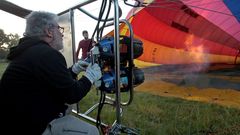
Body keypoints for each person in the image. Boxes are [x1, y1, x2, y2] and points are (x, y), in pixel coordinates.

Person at [0, 11, 101, 135]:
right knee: (92, 131)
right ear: (49, 31)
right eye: (59, 28)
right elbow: (72, 95)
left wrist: (74, 70)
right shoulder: (47, 54)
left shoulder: (30, 51)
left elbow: (56, 81)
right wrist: (89, 77)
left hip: (16, 122)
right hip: (30, 128)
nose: (61, 34)